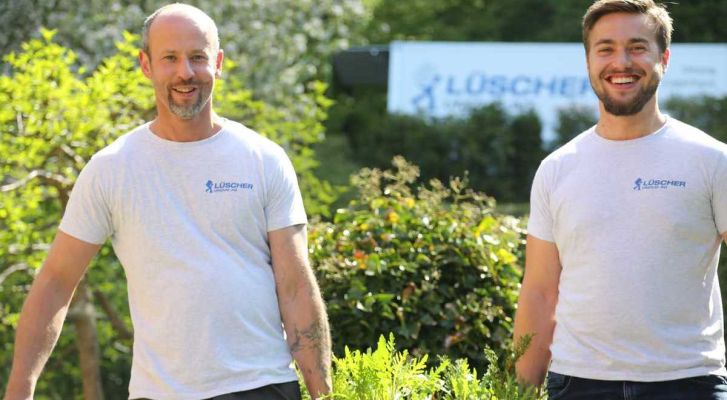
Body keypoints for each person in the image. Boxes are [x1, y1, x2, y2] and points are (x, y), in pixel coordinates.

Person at [3, 3, 331, 400]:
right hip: (159, 392)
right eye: (170, 58)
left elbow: (295, 286)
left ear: (218, 63)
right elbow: (55, 283)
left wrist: (323, 394)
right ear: (146, 65)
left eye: (198, 57)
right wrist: (19, 390)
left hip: (261, 386)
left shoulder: (264, 159)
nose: (184, 72)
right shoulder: (112, 169)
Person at [513, 0, 727, 398]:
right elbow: (540, 292)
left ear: (664, 58)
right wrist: (520, 392)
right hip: (577, 384)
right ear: (588, 61)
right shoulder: (557, 169)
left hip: (688, 382)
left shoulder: (712, 161)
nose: (621, 62)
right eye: (606, 49)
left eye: (637, 47)